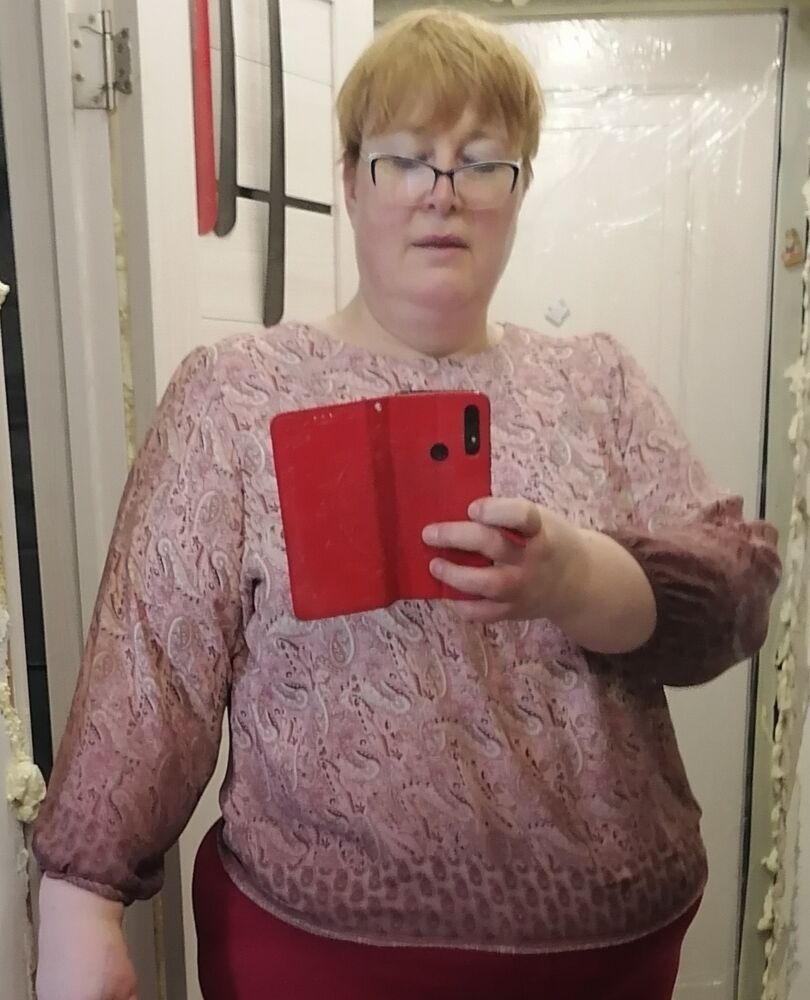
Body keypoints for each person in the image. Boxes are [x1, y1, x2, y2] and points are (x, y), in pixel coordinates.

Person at [33, 8, 781, 1000]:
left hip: (606, 954)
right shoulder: (237, 395)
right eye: (406, 158)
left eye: (482, 162)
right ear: (351, 179)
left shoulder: (596, 382)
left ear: (519, 189)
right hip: (315, 952)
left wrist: (574, 576)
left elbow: (735, 597)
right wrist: (79, 898)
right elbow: (151, 663)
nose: (443, 192)